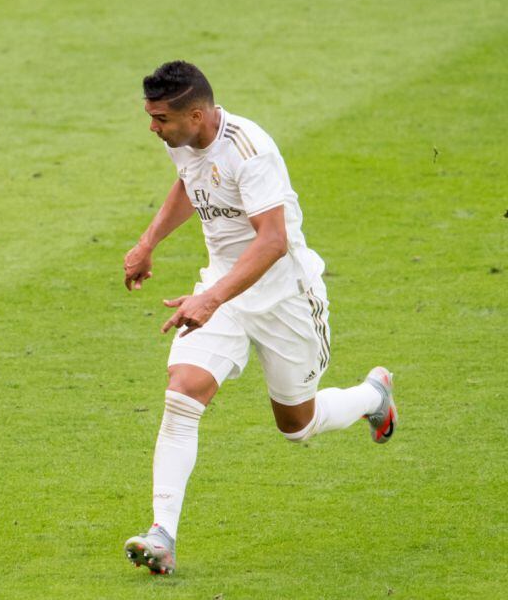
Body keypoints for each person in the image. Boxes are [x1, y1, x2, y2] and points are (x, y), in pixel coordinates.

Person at [120, 61, 398, 574]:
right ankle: (162, 534)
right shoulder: (180, 138)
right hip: (223, 287)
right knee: (183, 392)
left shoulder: (252, 150)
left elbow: (272, 241)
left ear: (197, 114)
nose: (153, 127)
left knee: (297, 425)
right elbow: (189, 181)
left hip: (285, 297)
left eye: (160, 118)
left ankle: (372, 396)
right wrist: (148, 242)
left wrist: (210, 299)